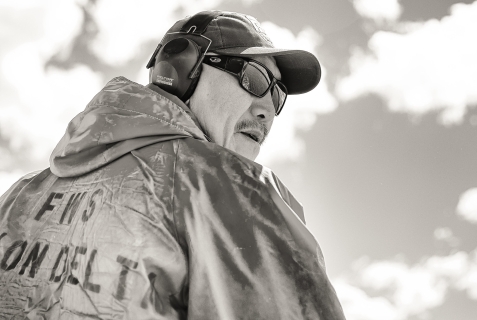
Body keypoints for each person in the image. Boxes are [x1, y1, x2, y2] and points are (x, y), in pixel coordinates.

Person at [0, 10, 345, 320]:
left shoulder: (20, 196)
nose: (267, 110)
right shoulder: (238, 189)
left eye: (277, 93)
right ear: (182, 68)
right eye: (254, 79)